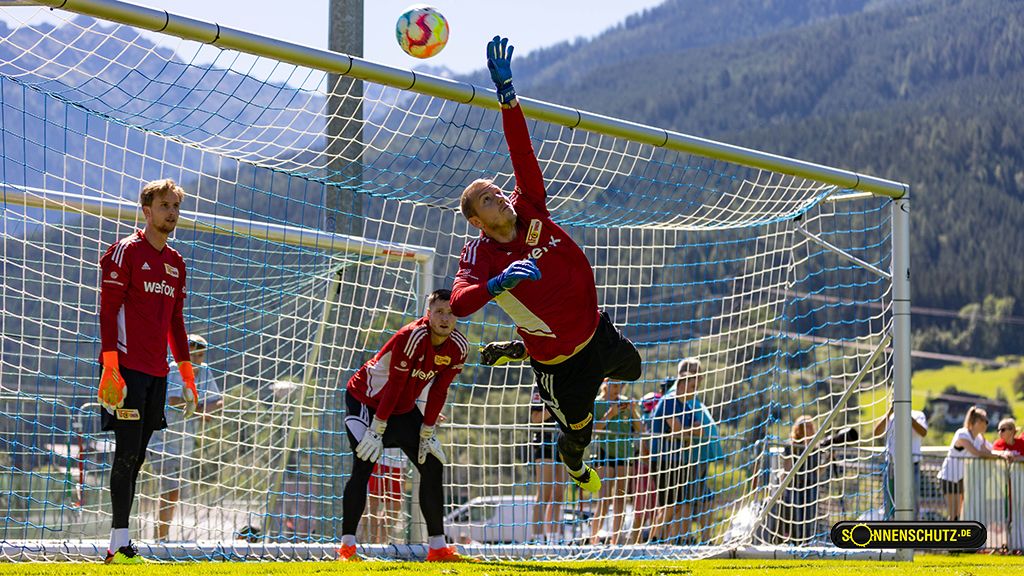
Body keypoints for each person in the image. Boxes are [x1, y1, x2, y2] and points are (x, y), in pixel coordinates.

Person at [451, 36, 642, 498]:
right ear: (477, 220)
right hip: (562, 367)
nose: (498, 193)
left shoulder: (529, 204)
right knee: (578, 436)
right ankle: (575, 466)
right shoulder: (479, 257)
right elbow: (458, 304)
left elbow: (522, 153)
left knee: (634, 370)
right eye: (486, 197)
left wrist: (508, 95)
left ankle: (523, 347)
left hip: (597, 332)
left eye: (495, 188)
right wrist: (496, 284)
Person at [96, 178, 196, 564]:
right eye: (164, 205)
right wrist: (109, 368)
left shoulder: (176, 263)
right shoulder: (124, 253)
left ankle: (118, 543)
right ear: (147, 210)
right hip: (124, 370)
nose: (171, 212)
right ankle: (119, 544)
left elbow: (176, 323)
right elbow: (107, 313)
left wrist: (186, 375)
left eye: (175, 207)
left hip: (157, 373)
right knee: (126, 454)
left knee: (137, 457)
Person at [337, 289, 470, 562]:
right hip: (368, 401)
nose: (445, 318)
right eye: (439, 312)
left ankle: (437, 548)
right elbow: (395, 385)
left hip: (402, 407)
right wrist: (377, 429)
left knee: (432, 465)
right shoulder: (411, 337)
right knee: (363, 463)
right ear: (428, 314)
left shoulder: (459, 347)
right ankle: (347, 548)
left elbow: (439, 390)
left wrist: (427, 429)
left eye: (451, 312)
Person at [149, 334, 223, 541]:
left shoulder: (204, 371)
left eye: (199, 354)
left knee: (174, 492)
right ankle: (160, 540)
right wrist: (201, 409)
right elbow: (174, 400)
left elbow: (218, 401)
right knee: (170, 490)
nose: (196, 358)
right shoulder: (175, 369)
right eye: (192, 353)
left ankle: (161, 537)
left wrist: (204, 408)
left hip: (185, 443)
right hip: (161, 440)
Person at [647, 358, 721, 544]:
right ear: (681, 384)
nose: (695, 390)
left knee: (677, 503)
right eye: (692, 386)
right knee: (669, 503)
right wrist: (686, 431)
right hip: (663, 459)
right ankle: (654, 538)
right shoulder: (670, 401)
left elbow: (693, 433)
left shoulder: (687, 406)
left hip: (678, 459)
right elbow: (678, 429)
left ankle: (670, 540)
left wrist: (684, 433)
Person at [590, 379, 644, 545]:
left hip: (623, 454)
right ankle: (593, 539)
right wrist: (610, 414)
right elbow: (593, 430)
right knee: (604, 499)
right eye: (614, 386)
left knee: (620, 498)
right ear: (606, 385)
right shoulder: (597, 403)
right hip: (604, 454)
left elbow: (641, 429)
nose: (617, 389)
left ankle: (615, 541)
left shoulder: (625, 402)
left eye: (620, 386)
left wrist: (633, 411)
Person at [936, 406, 994, 521]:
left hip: (962, 479)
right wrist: (997, 455)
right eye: (985, 421)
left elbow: (988, 451)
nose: (987, 424)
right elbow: (976, 452)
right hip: (949, 478)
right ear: (977, 422)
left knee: (960, 514)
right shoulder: (962, 434)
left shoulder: (979, 438)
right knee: (954, 514)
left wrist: (1000, 453)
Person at [873, 402, 928, 520]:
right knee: (889, 500)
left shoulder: (918, 415)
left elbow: (923, 432)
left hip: (912, 465)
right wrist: (889, 413)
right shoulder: (890, 417)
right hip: (892, 466)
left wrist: (906, 415)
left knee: (912, 500)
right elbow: (876, 432)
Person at [529, 389, 566, 544]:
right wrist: (556, 407)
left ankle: (554, 538)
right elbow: (535, 418)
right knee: (544, 494)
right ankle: (537, 539)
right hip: (545, 443)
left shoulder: (568, 383)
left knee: (559, 495)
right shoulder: (539, 388)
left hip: (564, 443)